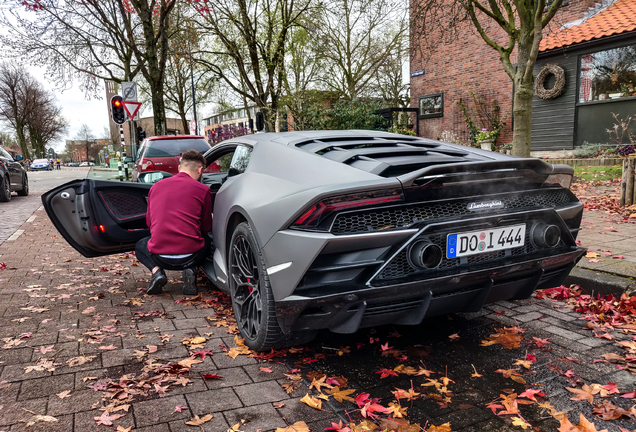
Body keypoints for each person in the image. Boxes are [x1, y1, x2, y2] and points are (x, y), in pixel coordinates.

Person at [135, 150, 212, 295]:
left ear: (179, 168)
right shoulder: (203, 190)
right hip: (192, 256)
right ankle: (191, 269)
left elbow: (149, 223)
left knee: (140, 245)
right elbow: (207, 226)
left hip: (160, 257)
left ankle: (157, 272)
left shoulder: (155, 187)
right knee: (208, 240)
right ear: (200, 170)